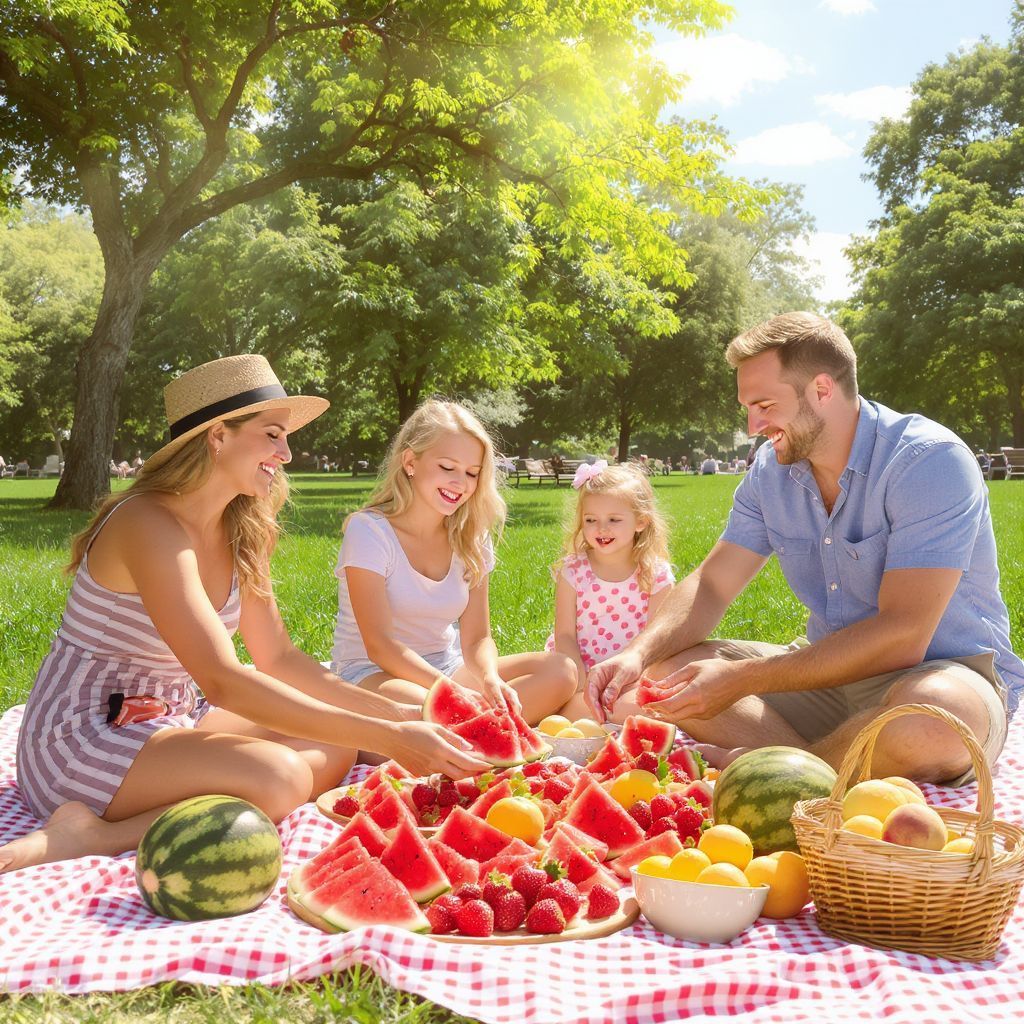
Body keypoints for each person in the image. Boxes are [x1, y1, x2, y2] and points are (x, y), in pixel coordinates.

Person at [0, 356, 489, 876]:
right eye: (273, 434)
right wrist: (389, 738)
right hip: (82, 735)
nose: (287, 452)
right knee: (279, 777)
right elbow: (224, 679)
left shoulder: (241, 527)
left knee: (337, 744)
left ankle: (218, 791)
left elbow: (278, 657)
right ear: (218, 437)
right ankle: (94, 835)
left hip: (167, 716)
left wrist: (401, 718)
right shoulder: (146, 523)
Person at [586, 311, 1023, 786]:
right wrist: (637, 652)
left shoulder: (928, 462)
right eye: (748, 408)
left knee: (935, 721)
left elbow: (904, 634)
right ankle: (807, 767)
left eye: (765, 405)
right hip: (828, 678)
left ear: (821, 389)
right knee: (670, 671)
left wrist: (744, 678)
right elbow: (712, 583)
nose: (754, 425)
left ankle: (789, 772)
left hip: (940, 674)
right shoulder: (770, 473)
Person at [331, 399, 576, 722]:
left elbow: (477, 638)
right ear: (410, 462)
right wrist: (450, 690)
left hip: (446, 666)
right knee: (433, 710)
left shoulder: (471, 537)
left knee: (562, 670)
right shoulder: (370, 532)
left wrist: (489, 678)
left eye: (472, 473)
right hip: (372, 672)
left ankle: (475, 733)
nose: (460, 484)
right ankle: (474, 731)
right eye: (447, 468)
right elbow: (380, 645)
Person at [546, 461, 674, 719]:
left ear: (641, 521)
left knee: (642, 708)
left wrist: (625, 685)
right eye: (591, 519)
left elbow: (655, 645)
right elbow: (565, 636)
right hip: (576, 672)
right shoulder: (573, 571)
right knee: (561, 690)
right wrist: (582, 686)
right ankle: (578, 709)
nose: (601, 528)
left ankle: (591, 714)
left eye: (614, 519)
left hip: (631, 678)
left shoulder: (656, 576)